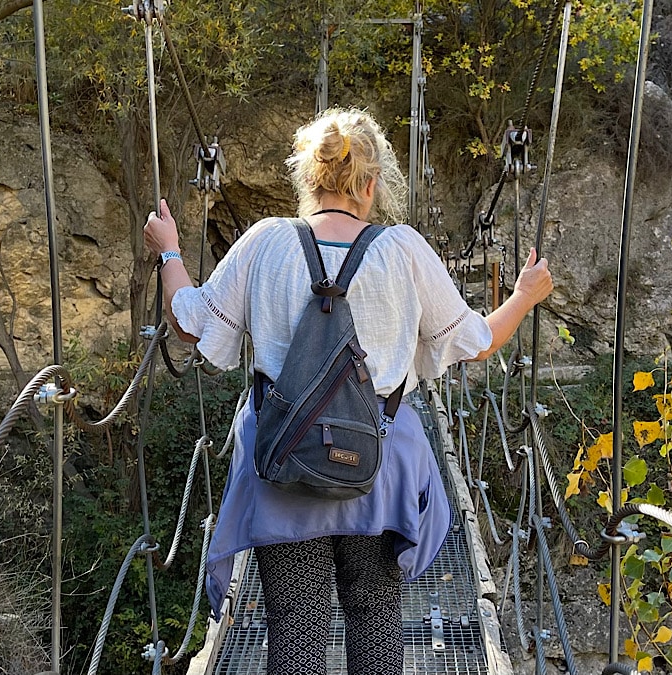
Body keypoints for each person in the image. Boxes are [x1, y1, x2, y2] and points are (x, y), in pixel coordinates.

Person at [142, 107, 552, 675]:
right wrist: (526, 294)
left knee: (296, 625)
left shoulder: (266, 241)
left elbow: (189, 323)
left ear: (307, 179)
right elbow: (477, 341)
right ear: (370, 183)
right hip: (377, 463)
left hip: (283, 461)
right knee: (375, 617)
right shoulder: (403, 249)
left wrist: (169, 250)